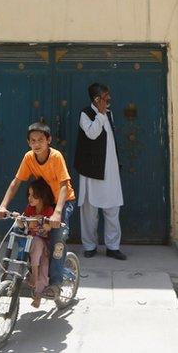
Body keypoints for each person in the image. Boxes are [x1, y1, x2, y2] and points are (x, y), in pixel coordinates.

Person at [0, 122, 76, 297]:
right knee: (20, 230)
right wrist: (3, 206)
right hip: (45, 204)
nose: (36, 144)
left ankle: (55, 284)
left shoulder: (56, 157)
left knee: (57, 241)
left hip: (63, 203)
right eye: (33, 140)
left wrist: (58, 212)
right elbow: (16, 182)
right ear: (28, 142)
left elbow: (63, 185)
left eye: (40, 139)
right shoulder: (29, 158)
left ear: (49, 140)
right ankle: (32, 270)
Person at [74, 83, 127, 260]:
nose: (109, 100)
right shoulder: (85, 114)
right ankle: (90, 246)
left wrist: (104, 114)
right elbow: (92, 133)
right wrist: (100, 115)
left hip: (110, 172)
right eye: (105, 97)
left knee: (112, 209)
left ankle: (113, 246)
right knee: (90, 211)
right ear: (97, 99)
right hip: (91, 171)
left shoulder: (109, 114)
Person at [17, 178, 55, 307]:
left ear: (42, 196)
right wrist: (19, 219)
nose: (30, 198)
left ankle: (37, 290)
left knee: (43, 263)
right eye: (29, 195)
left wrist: (45, 223)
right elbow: (23, 224)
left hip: (44, 246)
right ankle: (34, 276)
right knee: (35, 245)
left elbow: (50, 227)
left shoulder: (48, 210)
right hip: (31, 245)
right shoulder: (29, 209)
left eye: (33, 195)